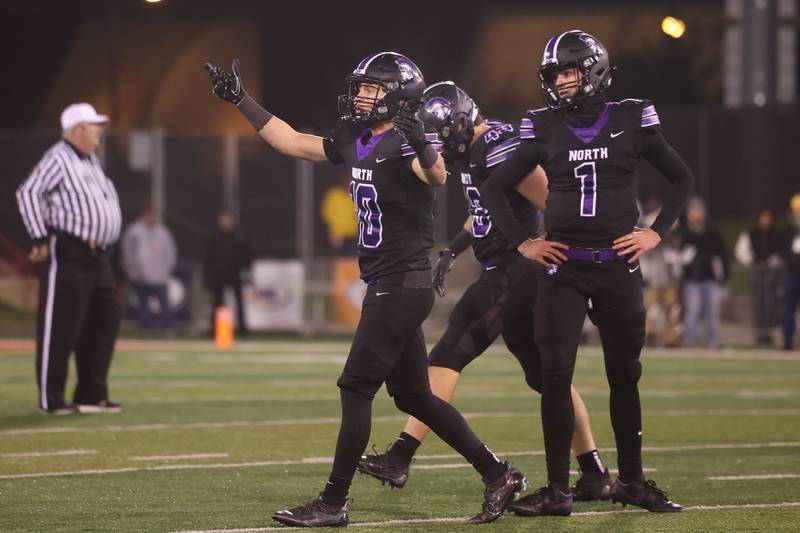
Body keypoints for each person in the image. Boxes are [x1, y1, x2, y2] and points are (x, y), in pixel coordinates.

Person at [205, 53, 525, 527]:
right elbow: (293, 142)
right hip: (389, 282)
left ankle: (333, 503)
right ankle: (497, 474)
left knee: (355, 388)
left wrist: (424, 147)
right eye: (361, 87)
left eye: (371, 88)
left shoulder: (410, 141)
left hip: (400, 283)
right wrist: (241, 100)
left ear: (398, 95)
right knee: (415, 396)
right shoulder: (356, 137)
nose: (360, 96)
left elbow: (436, 176)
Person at [357, 81, 612, 502]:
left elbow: (554, 202)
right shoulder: (476, 150)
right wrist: (453, 251)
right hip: (508, 269)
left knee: (446, 355)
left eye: (441, 137)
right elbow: (484, 212)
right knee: (547, 378)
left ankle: (400, 456)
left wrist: (574, 260)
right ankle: (595, 472)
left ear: (459, 122)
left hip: (516, 271)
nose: (440, 147)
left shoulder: (500, 148)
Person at [480, 31, 693, 515]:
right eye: (555, 75)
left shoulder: (630, 117)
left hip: (619, 266)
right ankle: (558, 491)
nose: (561, 83)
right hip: (564, 269)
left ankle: (634, 483)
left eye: (570, 73)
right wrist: (524, 242)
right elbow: (495, 188)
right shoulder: (543, 125)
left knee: (625, 374)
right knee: (555, 376)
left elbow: (682, 178)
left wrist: (656, 232)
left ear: (595, 71)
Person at [15, 102, 123, 415]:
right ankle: (52, 399)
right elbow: (29, 192)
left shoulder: (90, 161)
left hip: (98, 255)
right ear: (78, 130)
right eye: (94, 126)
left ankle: (90, 394)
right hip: (70, 251)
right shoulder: (59, 157)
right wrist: (38, 235)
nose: (100, 132)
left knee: (106, 320)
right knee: (60, 325)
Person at [678, 196, 729, 348]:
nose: (696, 215)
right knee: (692, 311)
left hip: (710, 279)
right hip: (691, 279)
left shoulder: (712, 233)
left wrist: (723, 276)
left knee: (712, 312)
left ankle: (712, 342)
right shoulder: (684, 234)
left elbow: (723, 256)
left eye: (698, 211)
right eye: (693, 211)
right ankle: (691, 342)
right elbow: (678, 256)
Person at [121, 202, 178, 333]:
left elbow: (170, 251)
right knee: (143, 304)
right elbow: (127, 251)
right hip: (140, 276)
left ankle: (167, 327)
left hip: (159, 276)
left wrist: (168, 268)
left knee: (164, 303)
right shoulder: (134, 231)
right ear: (143, 214)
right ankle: (146, 328)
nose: (151, 217)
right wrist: (132, 269)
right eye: (148, 214)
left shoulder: (163, 232)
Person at [734, 209, 784, 345]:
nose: (765, 221)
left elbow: (782, 251)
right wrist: (751, 261)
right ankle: (761, 333)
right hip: (757, 271)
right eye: (763, 218)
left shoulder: (777, 233)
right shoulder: (751, 233)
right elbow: (742, 251)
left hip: (772, 272)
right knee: (759, 302)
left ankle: (772, 332)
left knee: (772, 302)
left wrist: (776, 260)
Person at [204, 210, 252, 335]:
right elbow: (208, 258)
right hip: (218, 274)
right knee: (217, 302)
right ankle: (215, 329)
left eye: (228, 219)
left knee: (239, 302)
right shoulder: (214, 237)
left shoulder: (239, 237)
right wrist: (208, 276)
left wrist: (247, 270)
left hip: (234, 274)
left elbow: (246, 255)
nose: (226, 222)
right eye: (224, 219)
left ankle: (242, 328)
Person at [780, 194, 800, 350]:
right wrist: (790, 258)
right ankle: (787, 341)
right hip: (792, 274)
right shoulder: (788, 229)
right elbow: (782, 249)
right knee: (789, 309)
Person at [320, 176, 359, 255]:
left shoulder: (355, 195)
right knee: (338, 257)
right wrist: (334, 229)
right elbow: (326, 213)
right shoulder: (334, 195)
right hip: (338, 235)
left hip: (354, 234)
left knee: (353, 258)